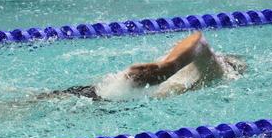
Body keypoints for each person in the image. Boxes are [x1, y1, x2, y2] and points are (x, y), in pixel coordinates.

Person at [47, 32, 246, 101]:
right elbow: (199, 41)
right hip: (120, 98)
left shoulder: (202, 72)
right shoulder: (219, 73)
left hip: (112, 94)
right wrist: (167, 68)